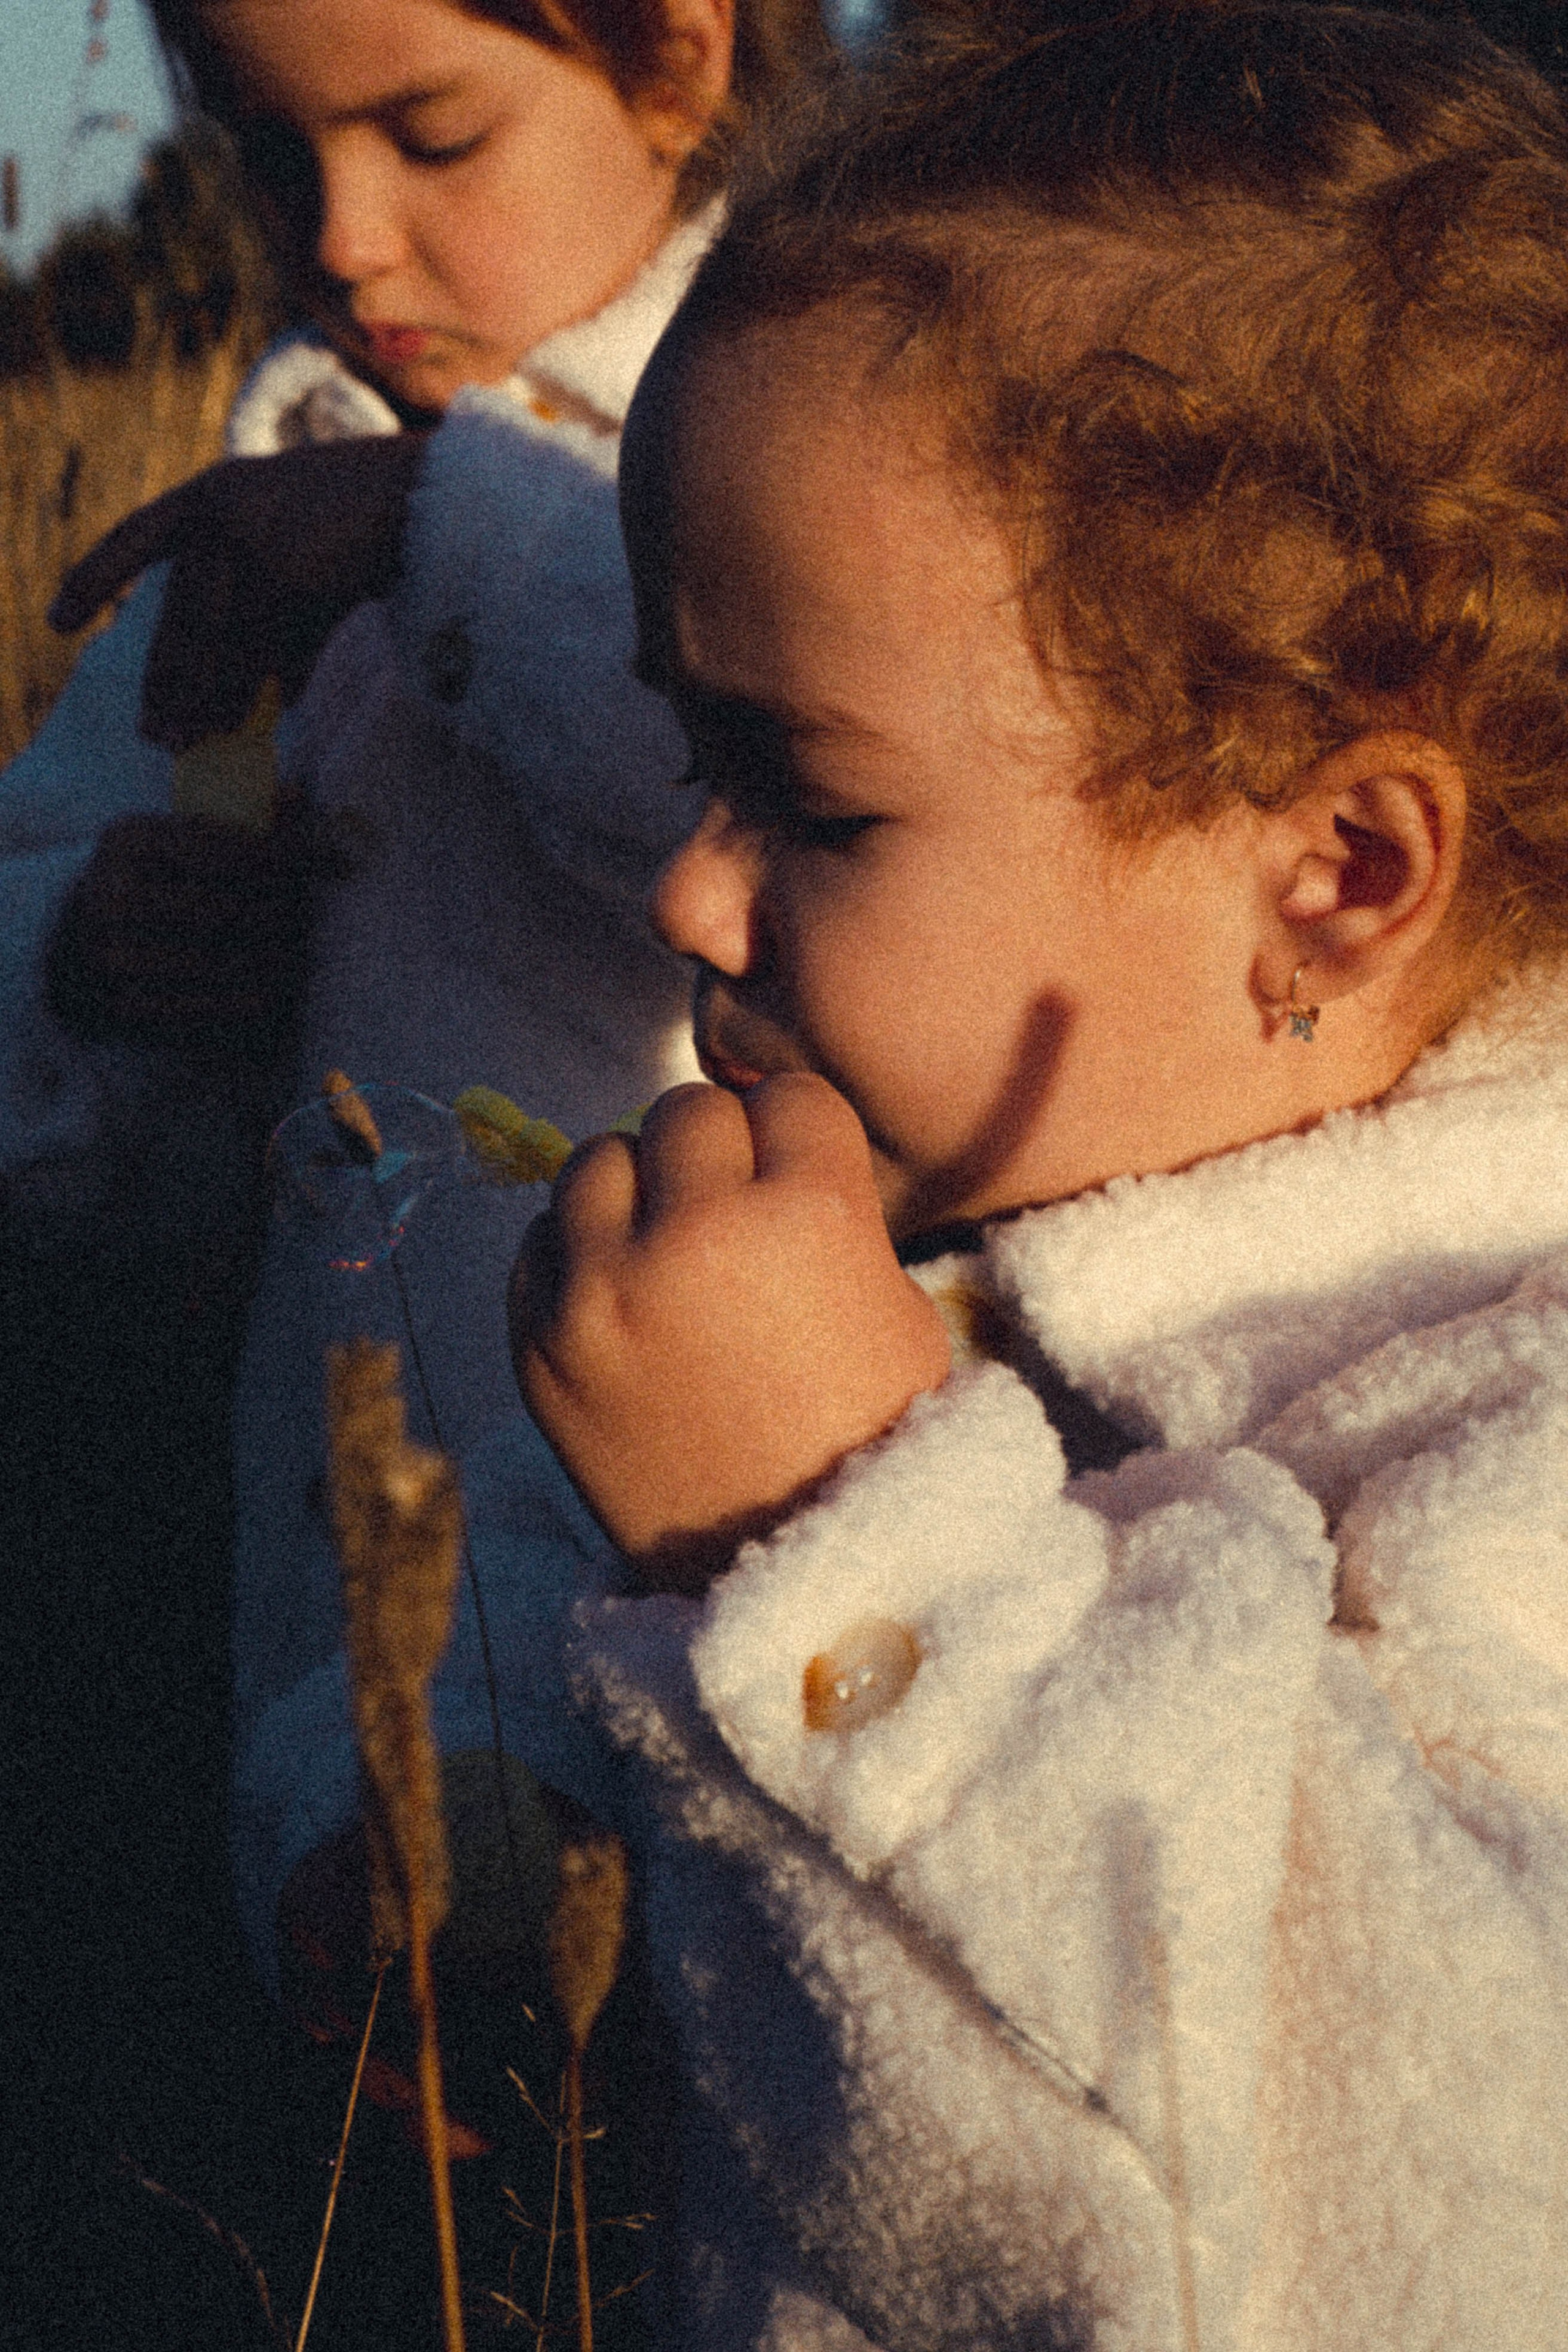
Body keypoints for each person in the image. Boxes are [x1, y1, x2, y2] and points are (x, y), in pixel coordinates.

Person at [467, 5, 1568, 2343]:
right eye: (691, 764)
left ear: (1338, 874)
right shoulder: (995, 1252)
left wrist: (835, 1535)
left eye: (813, 799)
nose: (688, 892)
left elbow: (1429, 2228)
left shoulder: (1516, 1452)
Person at [0, 0, 830, 1997]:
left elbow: (804, 822)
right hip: (333, 1631)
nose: (344, 237)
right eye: (271, 153)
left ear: (680, 57)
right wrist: (86, 963)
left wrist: (434, 534)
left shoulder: (822, 429)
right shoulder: (263, 494)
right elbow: (49, 922)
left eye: (433, 137)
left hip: (736, 1616)